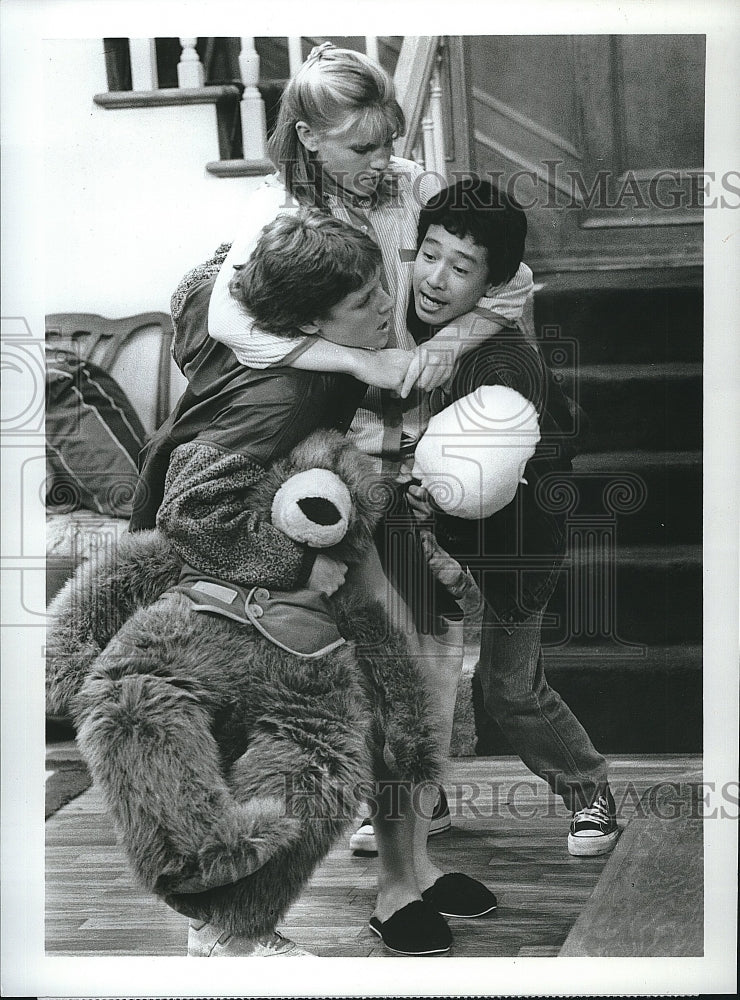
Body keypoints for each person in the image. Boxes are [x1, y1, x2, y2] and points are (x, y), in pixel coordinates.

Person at [204, 41, 535, 871]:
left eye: (387, 141)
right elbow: (229, 325)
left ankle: (416, 810)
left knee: (427, 629)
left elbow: (517, 284)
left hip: (421, 447)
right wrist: (362, 362)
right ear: (310, 139)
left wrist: (444, 343)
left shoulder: (412, 185)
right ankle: (387, 829)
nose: (383, 162)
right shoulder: (277, 214)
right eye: (362, 148)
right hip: (338, 456)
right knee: (376, 631)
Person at [131, 208, 496, 958]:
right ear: (310, 321)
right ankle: (228, 929)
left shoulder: (299, 347)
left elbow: (206, 288)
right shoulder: (282, 393)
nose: (384, 309)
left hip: (321, 531)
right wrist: (301, 565)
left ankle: (408, 874)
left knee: (418, 676)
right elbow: (189, 511)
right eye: (364, 302)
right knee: (299, 750)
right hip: (239, 580)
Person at [358, 177, 620, 857]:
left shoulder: (505, 360)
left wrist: (435, 474)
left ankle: (590, 794)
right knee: (404, 672)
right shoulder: (402, 320)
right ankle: (425, 797)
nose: (436, 278)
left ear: (492, 285)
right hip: (425, 530)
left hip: (516, 535)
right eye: (431, 253)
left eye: (462, 267)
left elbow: (495, 453)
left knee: (509, 688)